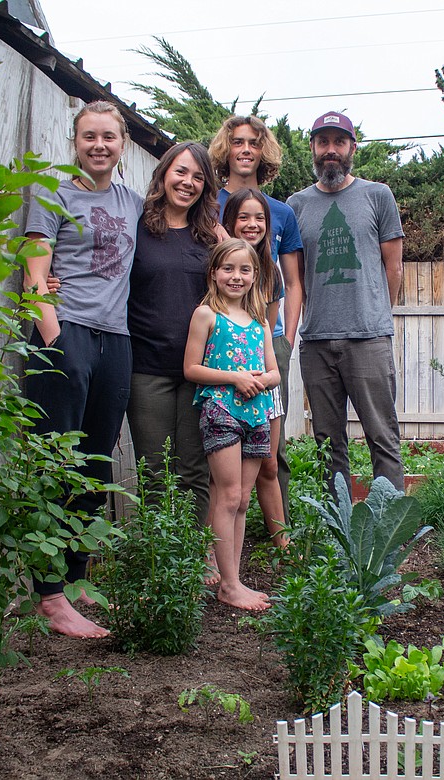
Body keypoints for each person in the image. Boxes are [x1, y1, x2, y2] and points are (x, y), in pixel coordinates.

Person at [22, 101, 142, 638]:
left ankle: (75, 578)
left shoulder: (133, 203)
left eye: (109, 137)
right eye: (89, 136)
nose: (99, 145)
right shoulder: (52, 194)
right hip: (64, 335)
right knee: (56, 461)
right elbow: (34, 273)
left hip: (114, 341)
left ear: (122, 144)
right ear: (75, 141)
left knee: (95, 465)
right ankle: (49, 596)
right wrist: (54, 340)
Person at [284, 111, 405, 492]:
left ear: (353, 148)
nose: (330, 150)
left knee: (382, 438)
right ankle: (337, 535)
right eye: (323, 142)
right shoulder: (296, 205)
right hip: (317, 341)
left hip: (368, 339)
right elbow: (296, 277)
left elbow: (394, 267)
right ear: (313, 149)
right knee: (327, 444)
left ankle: (389, 529)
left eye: (339, 142)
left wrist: (377, 317)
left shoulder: (377, 195)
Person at [209, 116, 302, 542]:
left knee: (269, 452)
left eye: (254, 142)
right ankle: (217, 544)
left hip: (266, 343)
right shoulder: (209, 206)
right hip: (221, 346)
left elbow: (288, 285)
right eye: (237, 142)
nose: (246, 149)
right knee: (219, 445)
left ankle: (275, 536)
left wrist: (283, 339)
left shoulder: (281, 212)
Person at [127, 142, 224, 534]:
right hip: (146, 367)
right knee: (152, 472)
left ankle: (190, 554)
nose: (188, 182)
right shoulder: (137, 225)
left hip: (199, 371)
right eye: (181, 172)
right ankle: (157, 558)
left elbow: (237, 288)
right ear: (164, 173)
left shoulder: (211, 236)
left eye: (198, 177)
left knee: (194, 471)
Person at [184, 238, 280, 610]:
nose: (236, 277)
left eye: (244, 270)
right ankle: (229, 583)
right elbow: (191, 368)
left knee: (242, 500)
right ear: (213, 273)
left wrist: (259, 379)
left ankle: (232, 579)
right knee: (226, 496)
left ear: (255, 276)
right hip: (221, 410)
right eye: (228, 269)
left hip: (257, 414)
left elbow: (274, 372)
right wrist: (234, 378)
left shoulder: (259, 322)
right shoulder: (207, 314)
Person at [220, 189, 289, 547]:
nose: (252, 224)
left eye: (259, 218)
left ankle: (284, 549)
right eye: (243, 217)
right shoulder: (216, 268)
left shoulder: (270, 273)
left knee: (270, 463)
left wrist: (265, 377)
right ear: (229, 221)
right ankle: (215, 553)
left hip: (263, 380)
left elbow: (266, 331)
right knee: (226, 482)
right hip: (223, 384)